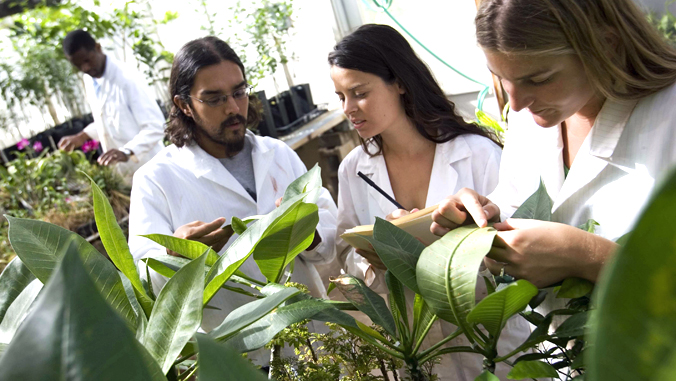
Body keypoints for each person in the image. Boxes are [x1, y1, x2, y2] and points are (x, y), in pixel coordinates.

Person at [432, 0, 676, 292]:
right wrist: (488, 221)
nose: (516, 103)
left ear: (605, 47)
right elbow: (517, 201)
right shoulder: (529, 119)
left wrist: (587, 256)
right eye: (502, 78)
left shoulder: (668, 115)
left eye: (538, 79)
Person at [330, 24, 526, 380]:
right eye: (341, 96)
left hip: (489, 342)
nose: (349, 108)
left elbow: (519, 243)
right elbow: (344, 254)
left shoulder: (475, 154)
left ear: (400, 82)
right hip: (414, 351)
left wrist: (454, 249)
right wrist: (375, 260)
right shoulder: (353, 171)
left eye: (359, 93)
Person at [128, 36, 337, 365]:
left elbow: (327, 227)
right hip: (237, 354)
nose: (233, 108)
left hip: (311, 339)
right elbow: (143, 271)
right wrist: (174, 254)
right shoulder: (156, 179)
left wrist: (309, 231)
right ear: (184, 105)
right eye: (214, 99)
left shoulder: (278, 154)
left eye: (239, 92)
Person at [59, 29, 165, 183]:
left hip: (152, 170)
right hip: (126, 177)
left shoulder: (127, 78)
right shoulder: (91, 80)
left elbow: (156, 126)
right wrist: (82, 136)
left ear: (98, 47)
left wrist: (127, 152)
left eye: (87, 60)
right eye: (78, 65)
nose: (85, 68)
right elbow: (111, 118)